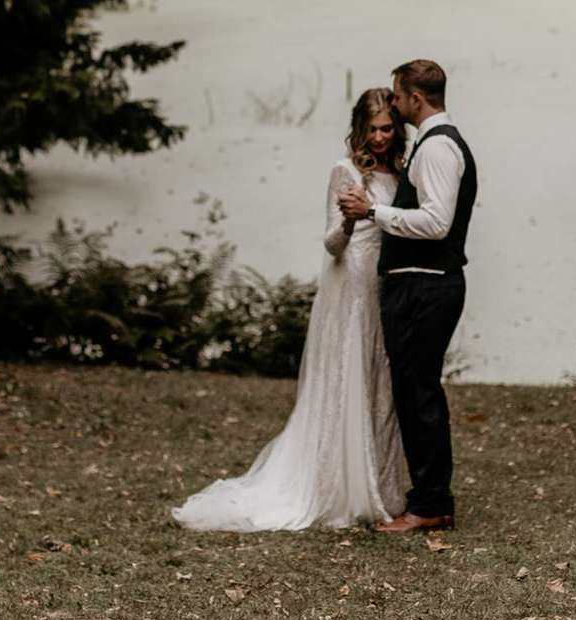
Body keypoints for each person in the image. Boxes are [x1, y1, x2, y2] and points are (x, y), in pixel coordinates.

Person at [169, 89, 407, 530]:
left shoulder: (401, 173)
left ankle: (381, 480)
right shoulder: (344, 171)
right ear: (359, 127)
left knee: (380, 378)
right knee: (348, 374)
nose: (379, 137)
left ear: (397, 128)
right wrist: (351, 217)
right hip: (351, 282)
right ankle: (338, 483)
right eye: (372, 128)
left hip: (385, 282)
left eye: (387, 128)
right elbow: (332, 243)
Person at [337, 57, 475, 534]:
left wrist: (376, 210)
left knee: (419, 396)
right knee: (415, 391)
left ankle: (430, 503)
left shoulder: (437, 148)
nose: (394, 105)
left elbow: (436, 222)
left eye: (397, 96)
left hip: (425, 285)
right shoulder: (434, 144)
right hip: (418, 282)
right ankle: (424, 497)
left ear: (416, 98)